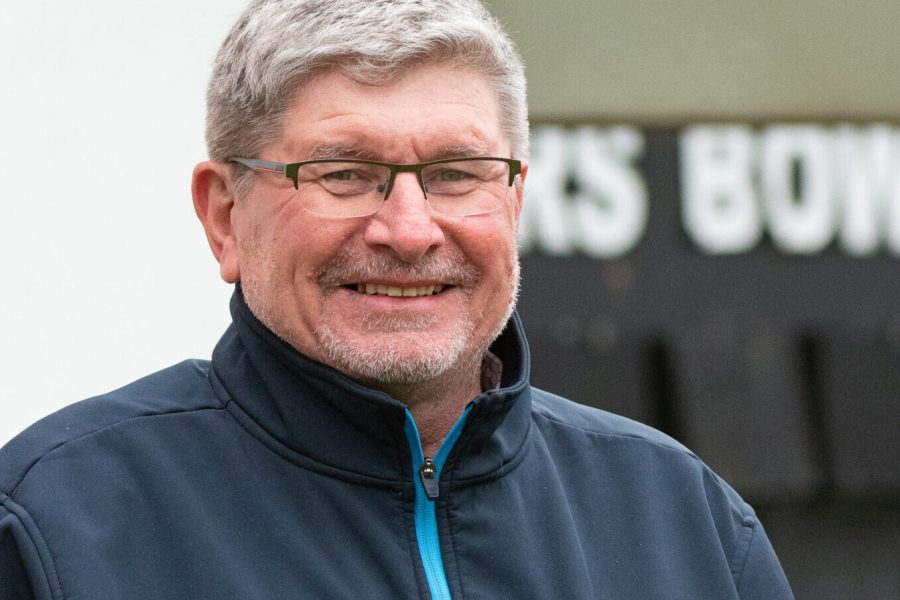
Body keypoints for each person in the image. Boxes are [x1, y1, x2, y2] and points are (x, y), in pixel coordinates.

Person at [0, 1, 793, 598]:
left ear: (514, 201)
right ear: (225, 216)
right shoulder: (56, 526)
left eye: (456, 172)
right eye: (343, 172)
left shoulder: (686, 526)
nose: (410, 231)